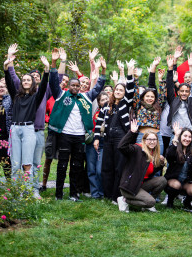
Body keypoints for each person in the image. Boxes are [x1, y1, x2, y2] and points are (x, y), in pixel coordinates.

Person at [47, 53, 106, 201]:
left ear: (80, 87)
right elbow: (53, 81)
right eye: (72, 85)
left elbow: (99, 87)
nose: (75, 87)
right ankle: (58, 195)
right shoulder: (61, 95)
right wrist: (54, 62)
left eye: (77, 85)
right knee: (62, 165)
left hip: (80, 136)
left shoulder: (86, 97)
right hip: (65, 135)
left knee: (77, 166)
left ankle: (74, 194)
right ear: (69, 86)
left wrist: (103, 71)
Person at [4, 54, 49, 186]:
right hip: (15, 129)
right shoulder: (16, 96)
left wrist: (46, 69)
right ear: (22, 83)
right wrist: (5, 67)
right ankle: (15, 192)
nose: (26, 82)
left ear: (33, 83)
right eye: (24, 80)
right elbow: (9, 82)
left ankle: (28, 191)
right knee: (15, 163)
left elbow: (44, 85)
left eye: (29, 80)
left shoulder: (36, 98)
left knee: (27, 163)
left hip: (29, 129)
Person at [95, 60, 136, 202]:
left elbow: (131, 89)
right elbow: (99, 122)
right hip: (107, 138)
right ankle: (107, 194)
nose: (118, 92)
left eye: (121, 90)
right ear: (113, 91)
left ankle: (116, 196)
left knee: (119, 168)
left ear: (124, 93)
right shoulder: (107, 105)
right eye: (116, 90)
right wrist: (96, 138)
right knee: (106, 167)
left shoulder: (125, 104)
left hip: (121, 138)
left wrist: (129, 71)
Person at [117, 120, 167, 213]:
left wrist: (161, 164)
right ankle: (124, 200)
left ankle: (146, 203)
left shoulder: (153, 154)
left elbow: (150, 172)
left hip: (139, 185)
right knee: (151, 202)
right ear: (144, 140)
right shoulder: (137, 149)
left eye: (154, 140)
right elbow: (121, 147)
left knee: (162, 180)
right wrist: (131, 133)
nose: (152, 142)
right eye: (149, 139)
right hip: (129, 186)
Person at [164, 123, 192, 209]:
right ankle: (170, 201)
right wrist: (176, 136)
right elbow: (169, 155)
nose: (187, 139)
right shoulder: (174, 149)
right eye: (185, 136)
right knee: (176, 185)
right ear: (181, 137)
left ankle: (186, 201)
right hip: (172, 181)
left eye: (189, 137)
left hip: (186, 182)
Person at [166, 50, 192, 133]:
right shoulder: (173, 100)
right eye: (182, 91)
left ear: (189, 93)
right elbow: (169, 86)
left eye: (186, 91)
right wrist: (170, 69)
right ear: (178, 92)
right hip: (176, 132)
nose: (184, 93)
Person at [87, 92, 108, 199]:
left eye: (106, 99)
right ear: (99, 102)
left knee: (100, 169)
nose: (105, 101)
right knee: (91, 168)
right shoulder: (95, 111)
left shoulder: (110, 112)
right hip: (92, 141)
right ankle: (94, 193)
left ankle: (101, 192)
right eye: (102, 100)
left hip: (104, 142)